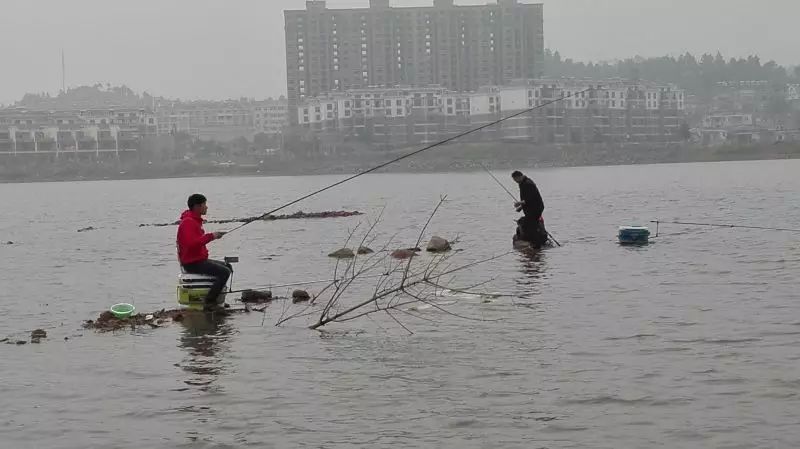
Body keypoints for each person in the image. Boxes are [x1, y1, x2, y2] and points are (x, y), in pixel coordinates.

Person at [177, 194, 231, 311]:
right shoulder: (188, 222)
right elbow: (191, 244)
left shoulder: (194, 221)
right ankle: (209, 302)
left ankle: (218, 299)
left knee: (228, 266)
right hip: (191, 262)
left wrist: (213, 236)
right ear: (197, 206)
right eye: (204, 205)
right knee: (225, 272)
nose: (206, 207)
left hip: (198, 260)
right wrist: (212, 236)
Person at [511, 170, 549, 248]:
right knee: (528, 224)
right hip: (530, 208)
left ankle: (536, 243)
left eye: (516, 180)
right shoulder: (522, 183)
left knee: (530, 225)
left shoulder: (528, 184)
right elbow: (527, 200)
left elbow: (530, 198)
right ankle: (534, 242)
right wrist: (521, 207)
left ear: (519, 177)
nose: (516, 182)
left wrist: (519, 203)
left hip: (536, 208)